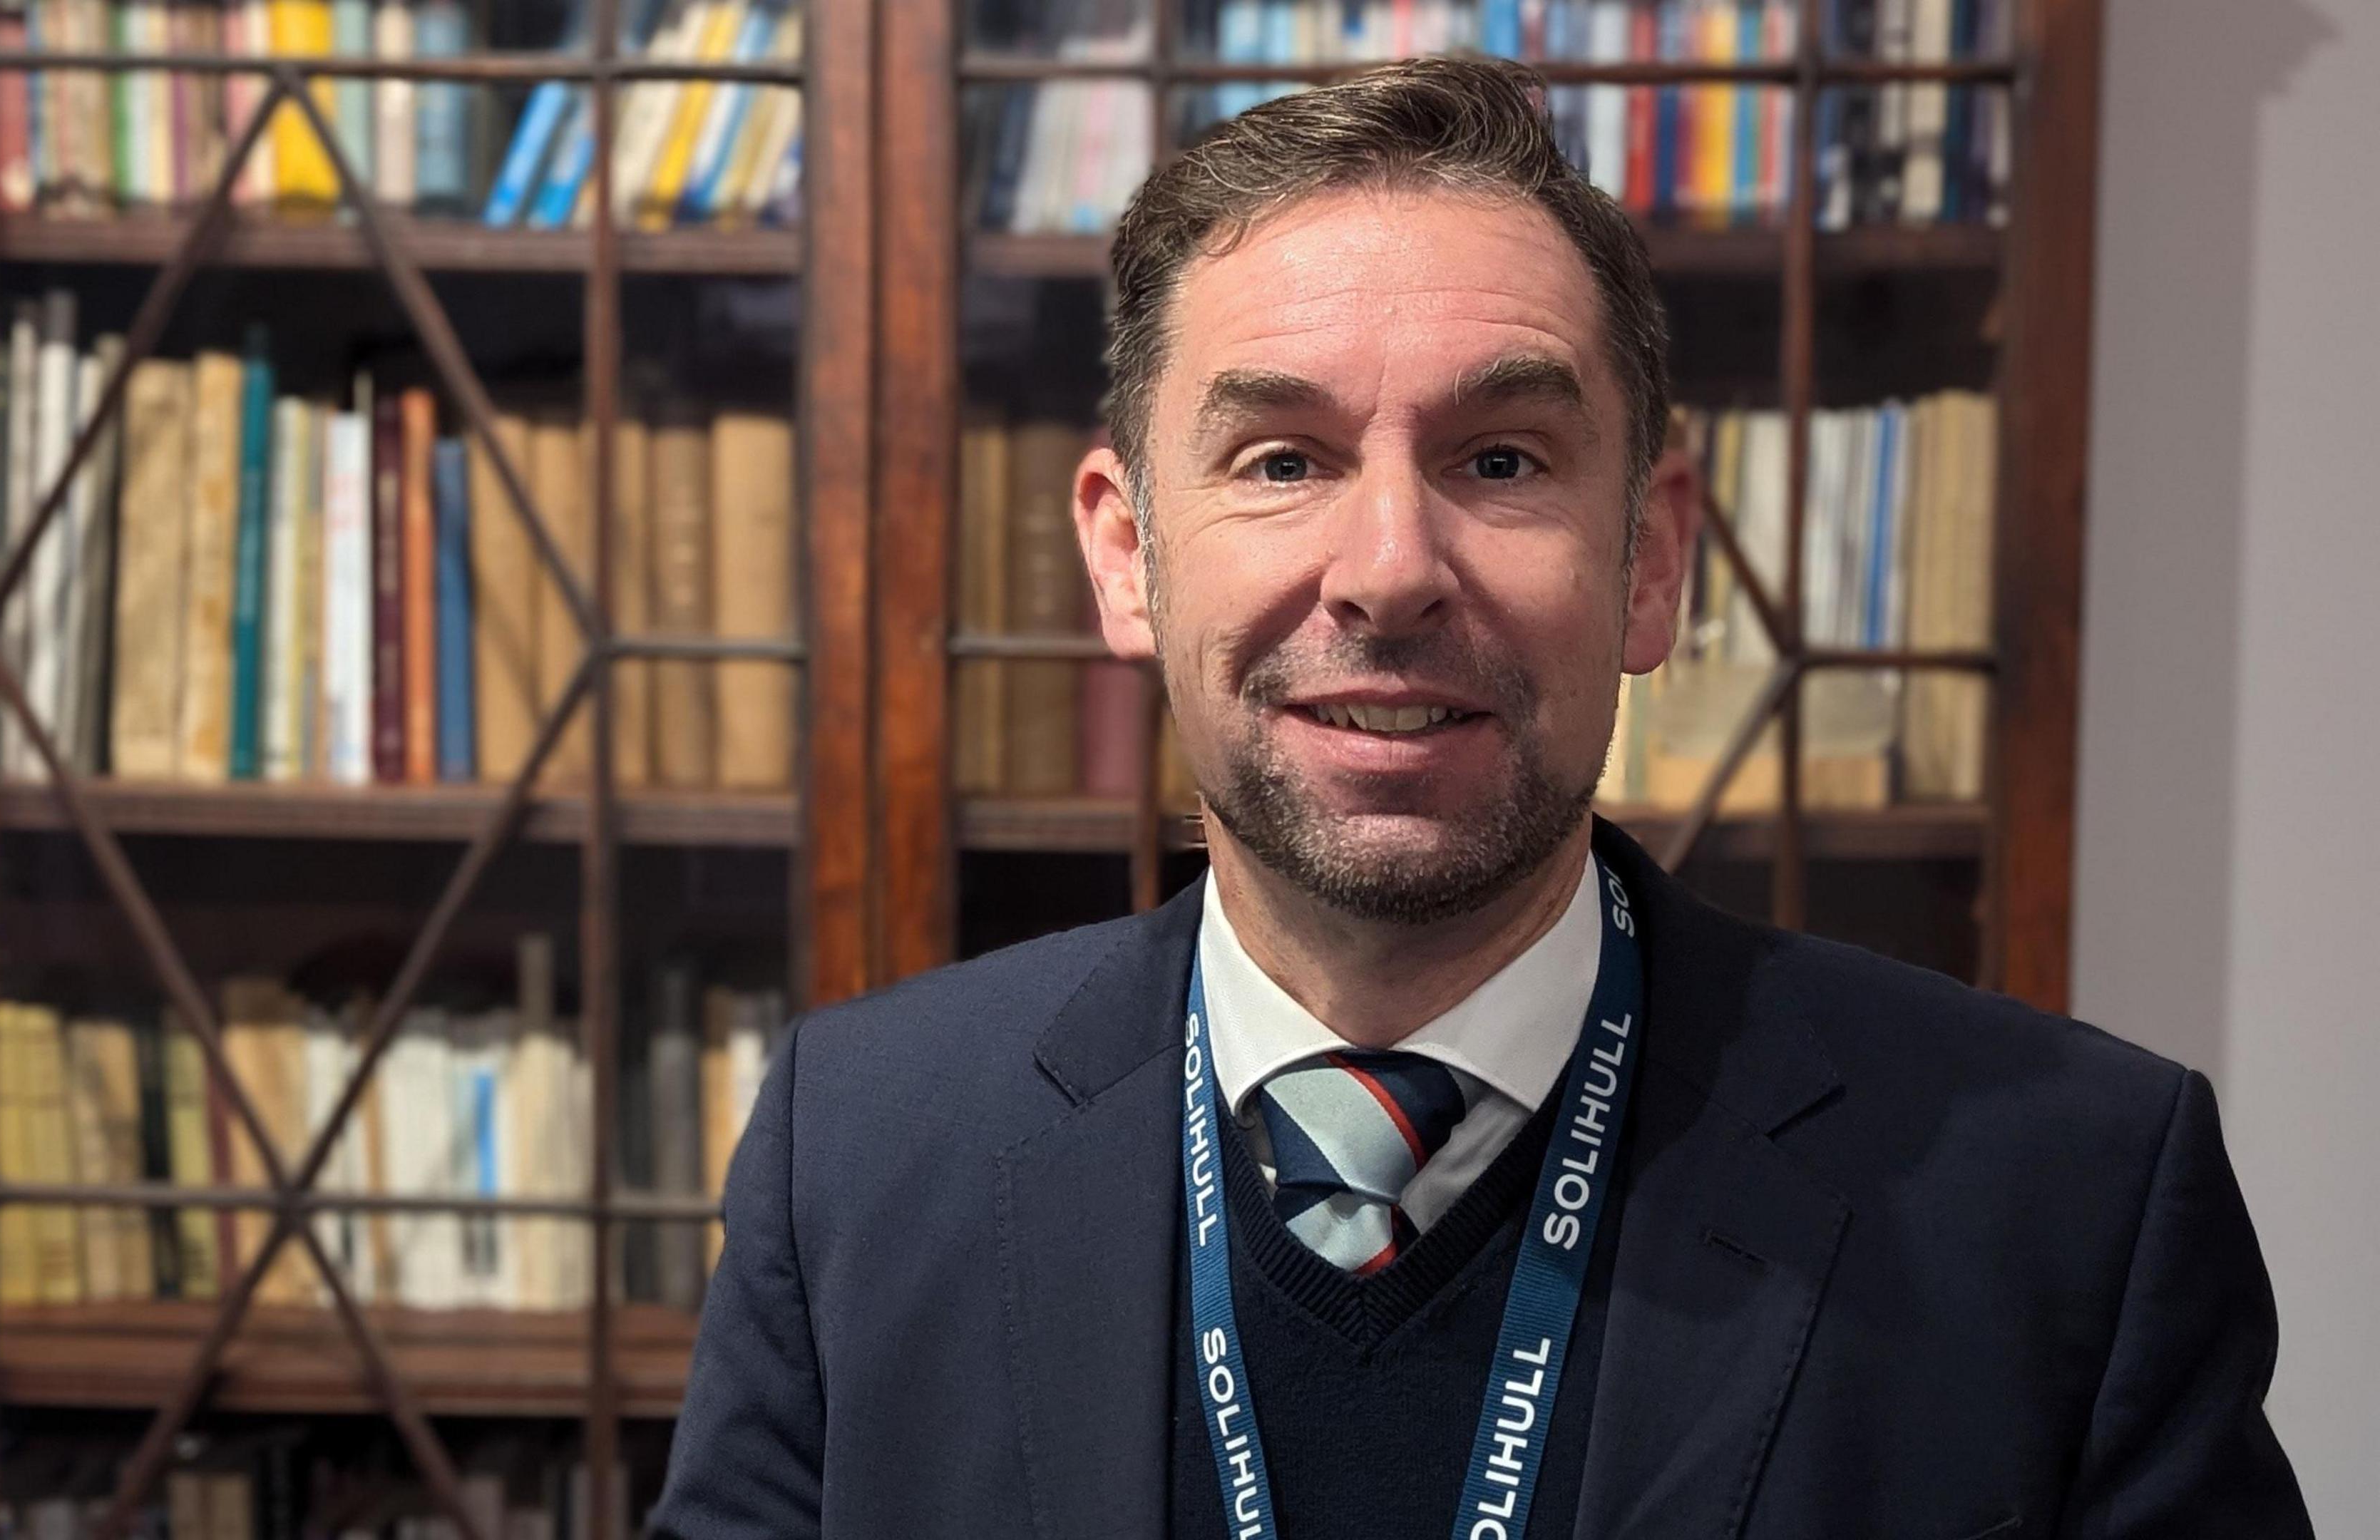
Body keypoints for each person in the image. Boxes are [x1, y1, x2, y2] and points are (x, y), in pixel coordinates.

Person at [650, 56, 2312, 1540]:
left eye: (1501, 459)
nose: (1388, 572)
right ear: (1126, 551)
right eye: (1282, 460)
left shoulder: (2069, 1201)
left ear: (1651, 558)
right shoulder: (858, 1156)